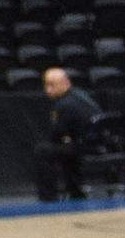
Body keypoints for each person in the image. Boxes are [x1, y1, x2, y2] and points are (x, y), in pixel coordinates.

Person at [35, 64, 104, 206]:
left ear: (65, 83)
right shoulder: (81, 95)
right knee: (63, 149)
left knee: (43, 151)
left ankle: (48, 199)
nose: (47, 90)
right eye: (46, 85)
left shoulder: (64, 105)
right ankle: (75, 192)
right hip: (101, 145)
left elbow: (56, 134)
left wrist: (66, 138)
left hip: (87, 147)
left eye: (52, 85)